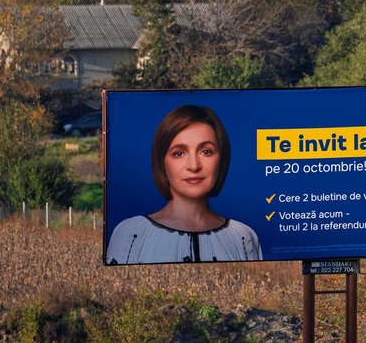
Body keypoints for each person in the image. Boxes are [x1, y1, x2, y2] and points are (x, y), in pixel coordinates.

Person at [106, 105, 261, 264]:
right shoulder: (131, 233)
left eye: (206, 152)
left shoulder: (243, 236)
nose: (194, 166)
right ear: (162, 163)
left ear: (221, 159)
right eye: (179, 153)